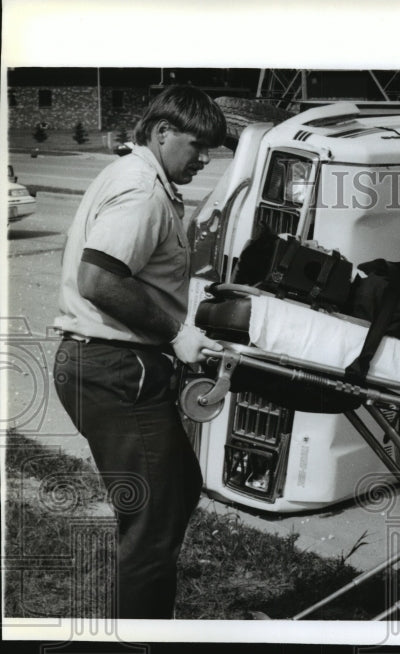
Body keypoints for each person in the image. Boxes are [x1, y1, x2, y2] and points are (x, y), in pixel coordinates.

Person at [52, 85, 227, 619]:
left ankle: (143, 612)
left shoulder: (145, 179)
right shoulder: (142, 191)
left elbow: (138, 276)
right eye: (197, 146)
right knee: (152, 525)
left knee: (177, 489)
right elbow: (99, 280)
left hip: (114, 367)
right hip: (114, 370)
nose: (203, 160)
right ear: (162, 132)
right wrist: (176, 334)